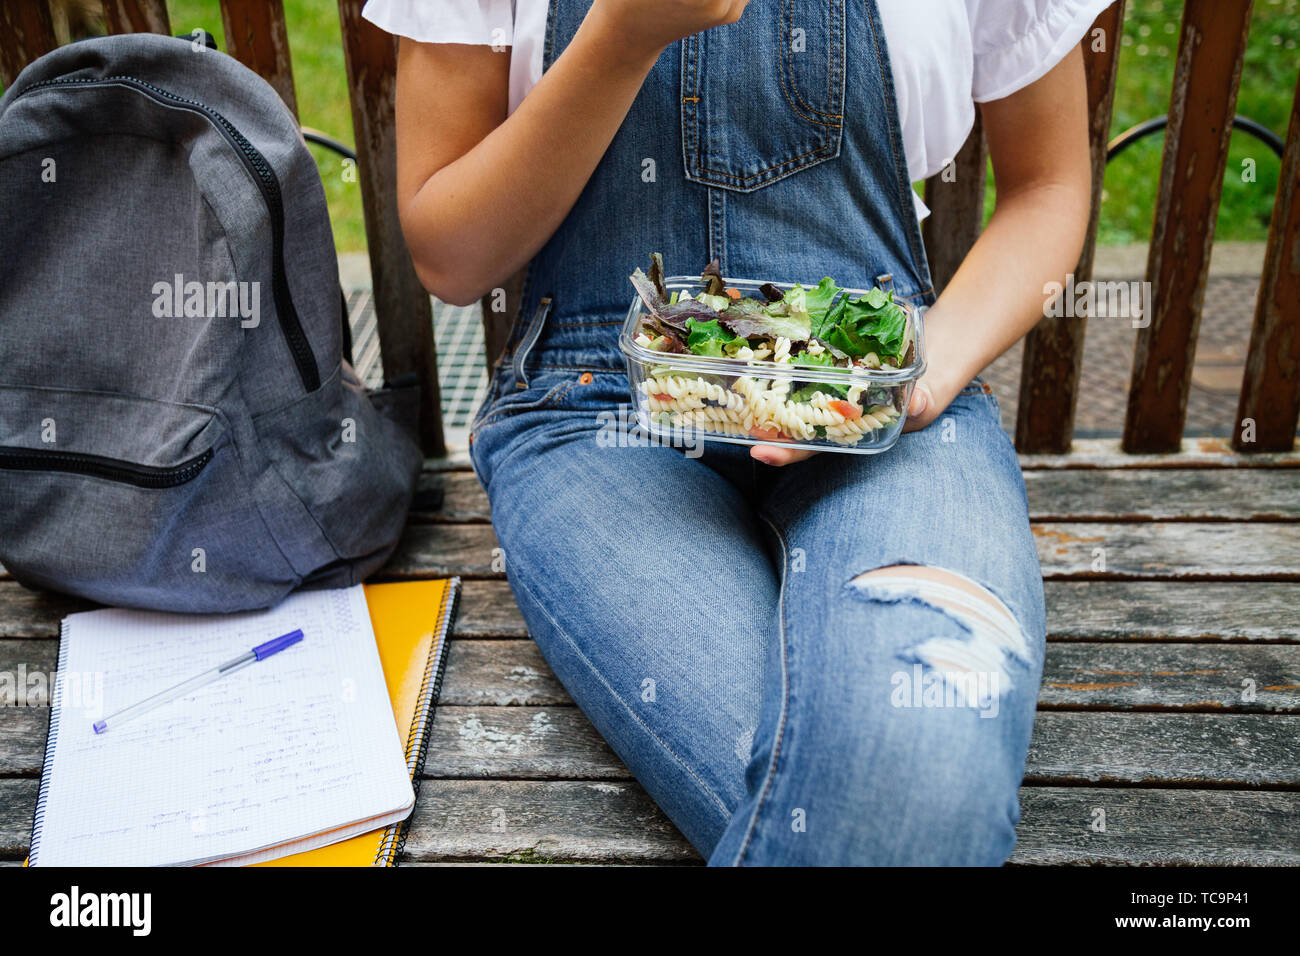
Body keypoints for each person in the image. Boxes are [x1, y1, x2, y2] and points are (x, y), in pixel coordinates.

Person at [368, 0, 1104, 865]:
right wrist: (622, 38)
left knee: (911, 778)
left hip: (881, 404)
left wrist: (910, 375)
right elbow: (452, 258)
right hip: (601, 412)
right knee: (882, 825)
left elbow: (1049, 185)